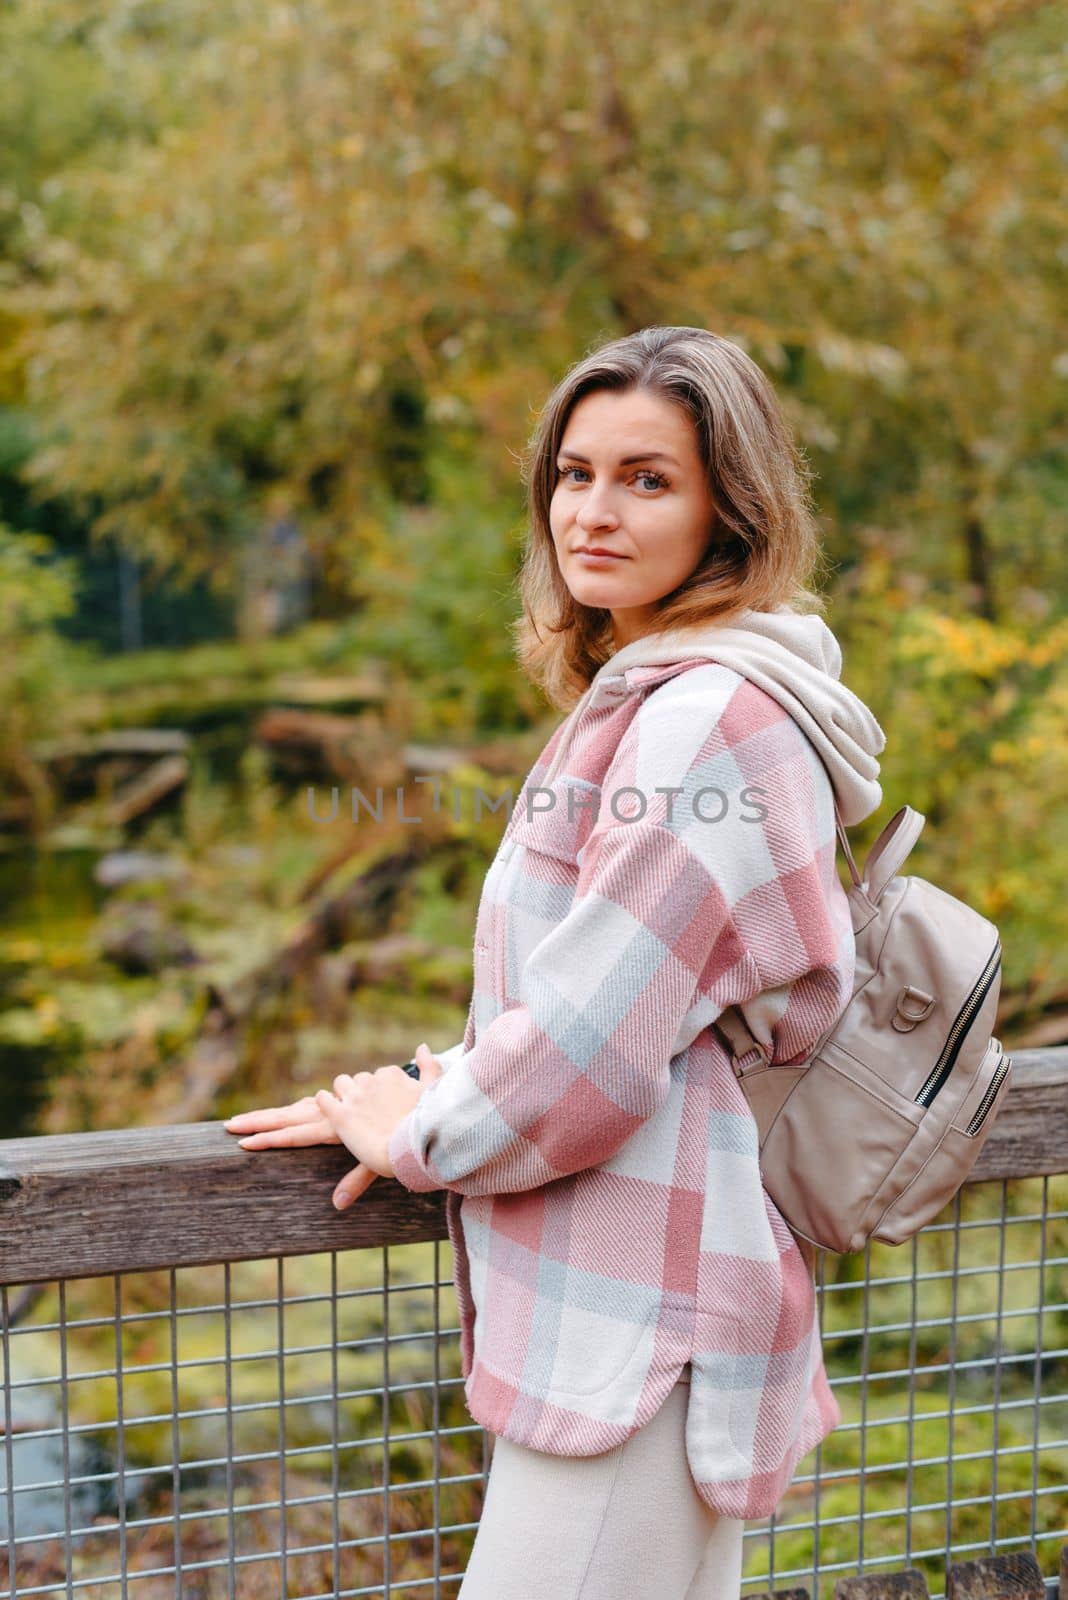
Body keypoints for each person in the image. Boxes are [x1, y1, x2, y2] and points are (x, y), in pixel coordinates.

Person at [225, 326, 886, 1599]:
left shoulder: (701, 723)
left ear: (728, 511)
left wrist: (423, 1128)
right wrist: (421, 1085)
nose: (592, 510)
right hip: (652, 1298)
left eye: (648, 479)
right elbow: (616, 994)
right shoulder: (667, 695)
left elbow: (591, 1051)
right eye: (574, 474)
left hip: (643, 1319)